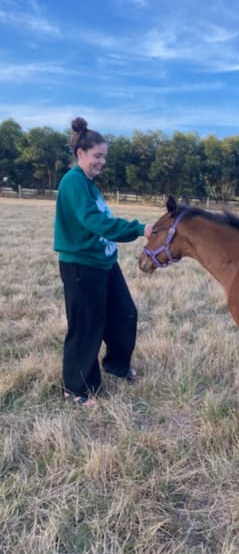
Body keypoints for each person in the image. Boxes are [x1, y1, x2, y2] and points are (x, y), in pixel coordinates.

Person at [54, 117, 151, 406]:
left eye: (104, 157)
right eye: (97, 156)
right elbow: (96, 222)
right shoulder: (74, 182)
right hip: (82, 266)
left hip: (104, 262)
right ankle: (77, 389)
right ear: (80, 153)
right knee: (86, 326)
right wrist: (137, 228)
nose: (102, 162)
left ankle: (117, 365)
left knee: (125, 314)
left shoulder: (89, 184)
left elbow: (101, 220)